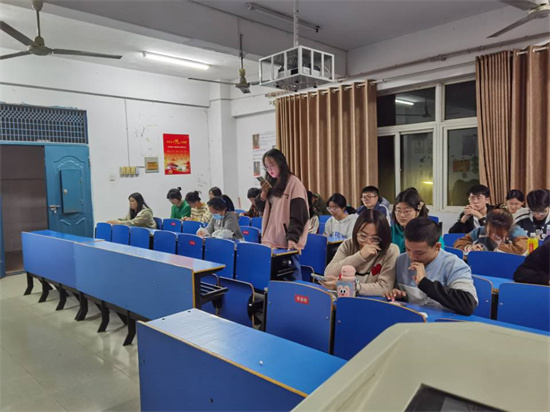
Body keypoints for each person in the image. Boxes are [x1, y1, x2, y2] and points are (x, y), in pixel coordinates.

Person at [385, 217, 478, 316]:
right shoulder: (400, 260)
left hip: (443, 323)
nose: (411, 256)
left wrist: (424, 283)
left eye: (419, 253)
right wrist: (398, 295)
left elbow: (468, 304)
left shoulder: (454, 265)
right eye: (407, 249)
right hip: (412, 320)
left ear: (437, 247)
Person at [255, 149, 309, 278]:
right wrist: (264, 193)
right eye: (266, 167)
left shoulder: (294, 183)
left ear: (281, 163)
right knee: (274, 278)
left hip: (287, 241)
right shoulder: (271, 184)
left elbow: (298, 215)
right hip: (271, 239)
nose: (270, 170)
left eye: (272, 165)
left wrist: (292, 239)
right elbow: (260, 209)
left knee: (291, 278)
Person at [323, 209, 399, 295]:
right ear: (356, 232)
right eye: (363, 236)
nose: (368, 242)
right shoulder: (348, 245)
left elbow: (385, 287)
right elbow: (328, 274)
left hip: (372, 301)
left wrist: (352, 286)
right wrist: (360, 256)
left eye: (375, 238)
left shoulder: (390, 251)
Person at [453, 209, 528, 255]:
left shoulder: (517, 233)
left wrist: (497, 250)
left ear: (508, 229)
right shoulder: (480, 231)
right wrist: (471, 248)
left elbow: (522, 250)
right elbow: (459, 243)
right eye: (491, 232)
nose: (493, 236)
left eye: (498, 233)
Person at [391, 188, 429, 253]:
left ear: (418, 212)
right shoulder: (390, 231)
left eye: (406, 211)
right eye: (398, 211)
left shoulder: (429, 232)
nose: (402, 215)